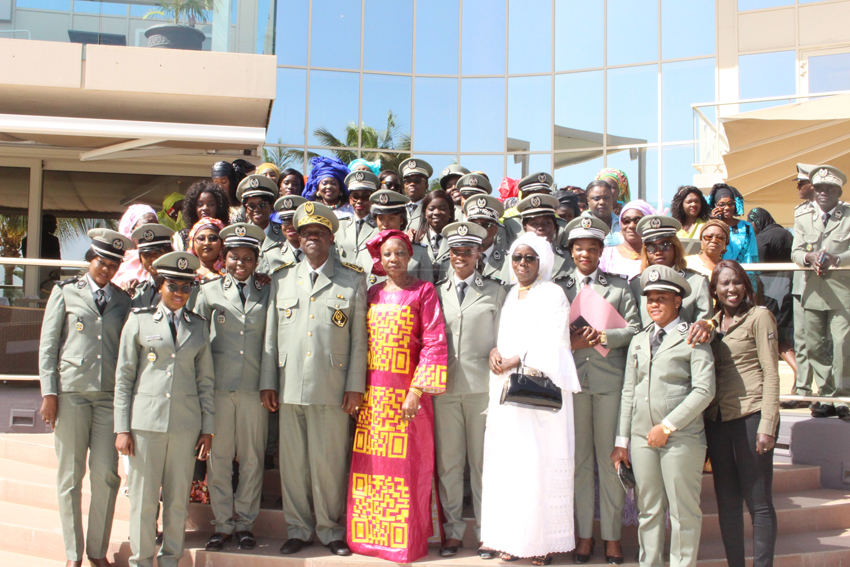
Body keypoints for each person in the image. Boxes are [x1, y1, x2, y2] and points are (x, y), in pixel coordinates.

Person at [260, 202, 367, 557]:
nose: (312, 239)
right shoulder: (282, 278)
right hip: (289, 385)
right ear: (299, 238)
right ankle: (298, 528)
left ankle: (330, 528)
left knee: (329, 463)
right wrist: (267, 381)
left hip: (332, 386)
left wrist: (355, 385)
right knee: (292, 465)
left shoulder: (352, 278)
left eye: (319, 234)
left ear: (331, 239)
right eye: (306, 234)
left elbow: (358, 340)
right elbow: (271, 336)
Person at [345, 229, 448, 563]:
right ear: (380, 258)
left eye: (400, 253)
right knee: (372, 469)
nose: (394, 259)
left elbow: (434, 341)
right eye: (387, 254)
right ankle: (371, 539)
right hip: (373, 399)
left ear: (410, 256)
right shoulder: (372, 293)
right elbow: (358, 344)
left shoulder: (424, 291)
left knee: (408, 469)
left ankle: (407, 541)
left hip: (409, 397)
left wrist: (417, 390)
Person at [481, 232, 581, 566]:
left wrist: (519, 359)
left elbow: (558, 342)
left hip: (539, 395)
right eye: (517, 258)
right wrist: (497, 351)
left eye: (530, 258)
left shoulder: (552, 293)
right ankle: (511, 540)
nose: (522, 264)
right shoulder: (510, 294)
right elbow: (504, 337)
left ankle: (541, 545)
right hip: (506, 395)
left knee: (537, 466)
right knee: (510, 468)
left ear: (543, 262)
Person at [39, 229, 134, 567]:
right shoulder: (64, 293)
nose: (106, 270)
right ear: (89, 260)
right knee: (70, 476)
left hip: (108, 397)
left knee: (107, 476)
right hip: (72, 394)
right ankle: (72, 555)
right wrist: (49, 393)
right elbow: (49, 347)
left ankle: (96, 551)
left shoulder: (123, 301)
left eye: (112, 265)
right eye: (101, 262)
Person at [114, 251, 215, 567]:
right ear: (160, 286)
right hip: (145, 425)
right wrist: (122, 428)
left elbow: (205, 382)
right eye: (173, 286)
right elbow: (124, 378)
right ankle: (142, 560)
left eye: (186, 288)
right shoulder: (139, 320)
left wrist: (207, 429)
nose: (180, 294)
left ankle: (171, 559)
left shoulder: (197, 326)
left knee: (175, 503)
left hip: (185, 427)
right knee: (144, 502)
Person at [611, 265, 716, 567]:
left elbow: (704, 390)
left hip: (681, 438)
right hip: (643, 439)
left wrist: (667, 426)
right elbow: (628, 393)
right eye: (650, 298)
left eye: (662, 298)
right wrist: (622, 441)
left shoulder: (693, 336)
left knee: (683, 512)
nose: (654, 304)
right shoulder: (640, 339)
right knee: (649, 510)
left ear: (678, 301)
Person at [555, 212, 640, 564]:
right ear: (572, 252)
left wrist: (604, 336)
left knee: (610, 461)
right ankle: (585, 535)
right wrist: (569, 339)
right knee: (579, 463)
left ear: (601, 250)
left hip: (608, 384)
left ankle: (612, 538)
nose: (585, 255)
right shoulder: (559, 288)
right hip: (573, 383)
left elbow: (635, 330)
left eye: (592, 248)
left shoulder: (619, 287)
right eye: (579, 249)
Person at [195, 224, 271, 552]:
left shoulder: (268, 292)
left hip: (255, 389)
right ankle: (222, 524)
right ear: (223, 260)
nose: (240, 263)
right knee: (220, 458)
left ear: (256, 261)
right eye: (234, 257)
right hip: (218, 389)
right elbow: (197, 344)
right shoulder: (208, 293)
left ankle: (245, 524)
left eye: (247, 258)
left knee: (252, 459)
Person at [433, 222, 506, 559]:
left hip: (482, 388)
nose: (460, 256)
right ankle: (451, 532)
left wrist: (499, 352)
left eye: (467, 251)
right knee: (449, 463)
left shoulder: (495, 291)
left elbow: (507, 337)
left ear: (479, 254)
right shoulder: (434, 291)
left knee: (481, 464)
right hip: (443, 387)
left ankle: (486, 532)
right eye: (455, 251)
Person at [705, 260, 779, 567]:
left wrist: (769, 425)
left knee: (758, 503)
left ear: (745, 285)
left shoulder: (759, 317)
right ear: (715, 290)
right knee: (728, 502)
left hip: (751, 415)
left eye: (736, 282)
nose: (731, 289)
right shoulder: (709, 324)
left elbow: (771, 373)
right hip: (717, 420)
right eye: (724, 284)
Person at [791, 165, 850, 420]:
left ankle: (843, 397)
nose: (824, 193)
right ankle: (825, 396)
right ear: (813, 190)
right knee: (814, 346)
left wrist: (837, 259)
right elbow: (795, 252)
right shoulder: (803, 216)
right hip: (812, 291)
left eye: (830, 189)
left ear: (839, 191)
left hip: (842, 291)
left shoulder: (848, 216)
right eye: (820, 188)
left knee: (842, 345)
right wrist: (808, 256)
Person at [632, 215, 713, 328]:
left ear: (675, 247)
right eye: (651, 247)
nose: (658, 252)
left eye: (665, 245)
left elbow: (707, 325)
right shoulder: (636, 284)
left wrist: (705, 327)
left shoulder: (698, 282)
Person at [343, 189, 433, 286]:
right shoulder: (365, 252)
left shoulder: (419, 252)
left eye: (391, 218)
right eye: (381, 218)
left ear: (401, 220)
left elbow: (428, 290)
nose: (385, 224)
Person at [748, 206, 796, 379]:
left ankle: (799, 373)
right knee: (780, 336)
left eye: (752, 223)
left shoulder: (763, 238)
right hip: (788, 291)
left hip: (770, 294)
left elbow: (756, 266)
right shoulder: (786, 234)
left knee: (773, 338)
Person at [786, 164, 817, 409]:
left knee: (830, 341)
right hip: (803, 283)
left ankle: (834, 392)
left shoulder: (841, 212)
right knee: (802, 340)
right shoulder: (800, 211)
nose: (797, 187)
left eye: (801, 182)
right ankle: (803, 389)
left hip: (829, 284)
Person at [515, 193, 574, 281]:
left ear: (555, 226)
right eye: (534, 224)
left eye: (546, 223)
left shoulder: (569, 257)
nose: (541, 228)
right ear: (525, 228)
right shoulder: (514, 258)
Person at [600, 200, 655, 281]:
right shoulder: (606, 255)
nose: (631, 225)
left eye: (638, 221)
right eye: (626, 221)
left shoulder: (656, 255)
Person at [236, 174, 285, 262]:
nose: (257, 209)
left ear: (271, 206)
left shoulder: (283, 234)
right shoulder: (239, 236)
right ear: (246, 209)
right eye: (251, 206)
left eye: (262, 205)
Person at [708, 183, 759, 265]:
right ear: (715, 206)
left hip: (744, 273)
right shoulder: (711, 227)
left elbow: (753, 254)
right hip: (720, 273)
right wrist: (714, 222)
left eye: (731, 203)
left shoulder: (746, 227)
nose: (727, 208)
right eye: (722, 204)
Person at [128, 224, 176, 309]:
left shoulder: (183, 288)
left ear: (169, 253)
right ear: (140, 258)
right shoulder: (138, 291)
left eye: (158, 252)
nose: (152, 258)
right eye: (146, 254)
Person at [464, 195, 510, 282]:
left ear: (495, 230)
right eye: (475, 225)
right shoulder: (458, 258)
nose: (480, 229)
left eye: (486, 225)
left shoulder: (508, 260)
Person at [335, 170, 380, 260]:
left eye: (365, 196)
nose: (359, 201)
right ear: (350, 199)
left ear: (372, 199)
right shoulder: (339, 226)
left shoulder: (380, 227)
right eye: (355, 196)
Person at [412, 188, 456, 278]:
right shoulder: (414, 239)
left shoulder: (458, 240)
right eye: (431, 209)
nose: (436, 212)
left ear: (450, 212)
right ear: (425, 213)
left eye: (442, 208)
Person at [113, 205, 160, 289]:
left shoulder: (168, 252)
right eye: (147, 225)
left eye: (156, 225)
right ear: (132, 230)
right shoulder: (119, 262)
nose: (153, 230)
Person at [502, 172, 556, 242]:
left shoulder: (555, 217)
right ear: (524, 196)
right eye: (535, 194)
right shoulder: (506, 218)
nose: (540, 198)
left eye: (545, 193)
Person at [180, 181, 230, 251]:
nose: (205, 208)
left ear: (219, 207)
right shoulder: (183, 236)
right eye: (200, 204)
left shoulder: (228, 233)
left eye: (211, 204)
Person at [261, 195, 307, 273]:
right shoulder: (271, 255)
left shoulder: (318, 250)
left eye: (295, 221)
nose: (290, 226)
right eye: (285, 221)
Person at [399, 157, 434, 233]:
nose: (412, 184)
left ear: (426, 185)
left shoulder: (432, 207)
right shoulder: (398, 207)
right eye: (407, 181)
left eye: (417, 181)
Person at [585, 180, 622, 246]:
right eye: (596, 198)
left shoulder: (622, 224)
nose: (602, 202)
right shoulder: (582, 226)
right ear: (588, 201)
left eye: (606, 198)